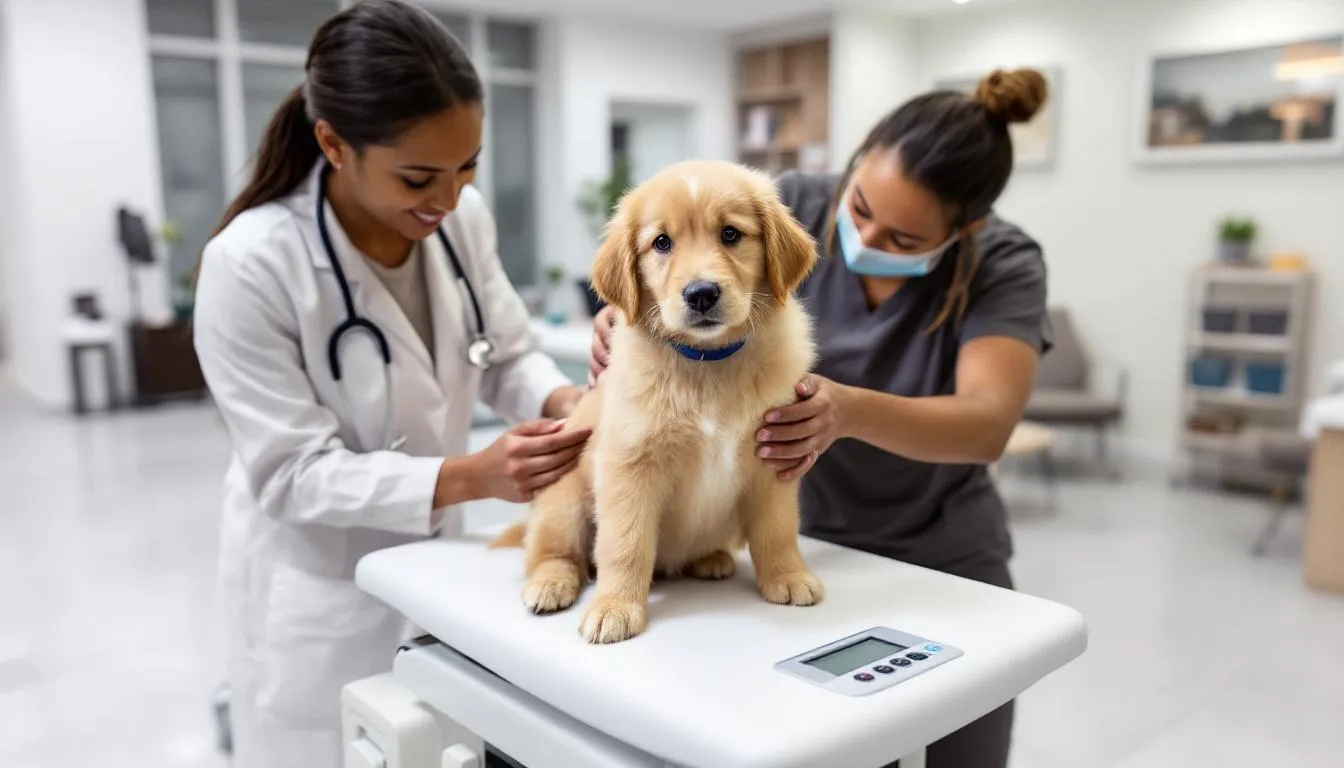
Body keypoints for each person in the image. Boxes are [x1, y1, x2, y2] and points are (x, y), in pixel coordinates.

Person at [590, 69, 1053, 768]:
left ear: (967, 231)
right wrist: (633, 313)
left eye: (902, 238)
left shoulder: (1006, 263)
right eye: (861, 205)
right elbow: (681, 253)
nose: (864, 235)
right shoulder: (792, 205)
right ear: (858, 159)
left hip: (942, 551)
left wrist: (850, 411)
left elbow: (988, 422)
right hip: (811, 539)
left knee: (966, 750)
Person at [191, 2, 589, 765]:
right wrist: (468, 476)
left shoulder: (460, 221)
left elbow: (504, 352)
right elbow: (291, 473)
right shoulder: (251, 264)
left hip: (434, 568)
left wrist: (562, 401)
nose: (446, 198)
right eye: (418, 177)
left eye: (467, 165)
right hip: (318, 591)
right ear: (334, 144)